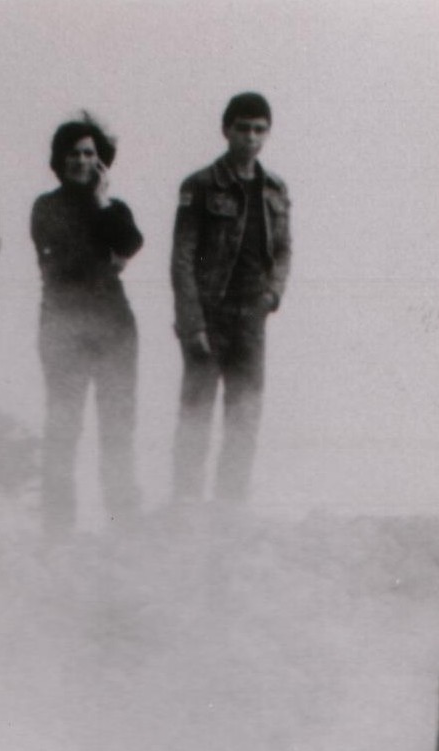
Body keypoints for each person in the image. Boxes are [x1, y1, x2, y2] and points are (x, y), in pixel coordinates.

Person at [171, 92, 290, 503]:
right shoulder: (201, 185)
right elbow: (182, 258)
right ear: (226, 130)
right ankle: (185, 509)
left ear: (268, 133)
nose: (251, 138)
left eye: (259, 130)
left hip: (251, 318)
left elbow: (284, 250)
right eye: (243, 129)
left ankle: (230, 513)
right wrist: (192, 323)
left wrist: (273, 294)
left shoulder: (275, 189)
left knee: (245, 418)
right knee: (196, 416)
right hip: (210, 315)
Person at [31, 114, 142, 536]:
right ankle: (57, 529)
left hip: (115, 328)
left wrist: (100, 203)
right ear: (60, 160)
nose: (81, 161)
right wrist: (107, 257)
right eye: (74, 154)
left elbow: (130, 243)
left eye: (90, 154)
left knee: (118, 428)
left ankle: (122, 526)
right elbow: (68, 261)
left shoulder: (113, 207)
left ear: (102, 161)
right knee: (63, 427)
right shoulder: (46, 206)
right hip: (63, 327)